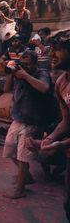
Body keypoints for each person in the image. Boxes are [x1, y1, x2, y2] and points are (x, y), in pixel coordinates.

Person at [2, 50, 52, 199]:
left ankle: (20, 189)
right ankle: (27, 177)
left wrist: (24, 75)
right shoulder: (19, 73)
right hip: (18, 117)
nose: (25, 67)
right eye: (23, 64)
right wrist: (12, 73)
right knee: (10, 149)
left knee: (23, 156)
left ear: (35, 64)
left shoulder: (41, 73)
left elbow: (44, 88)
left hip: (35, 120)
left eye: (28, 64)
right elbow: (6, 89)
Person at [38, 29, 70, 220]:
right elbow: (67, 121)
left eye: (57, 49)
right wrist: (49, 140)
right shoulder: (61, 82)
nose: (51, 54)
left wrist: (62, 145)